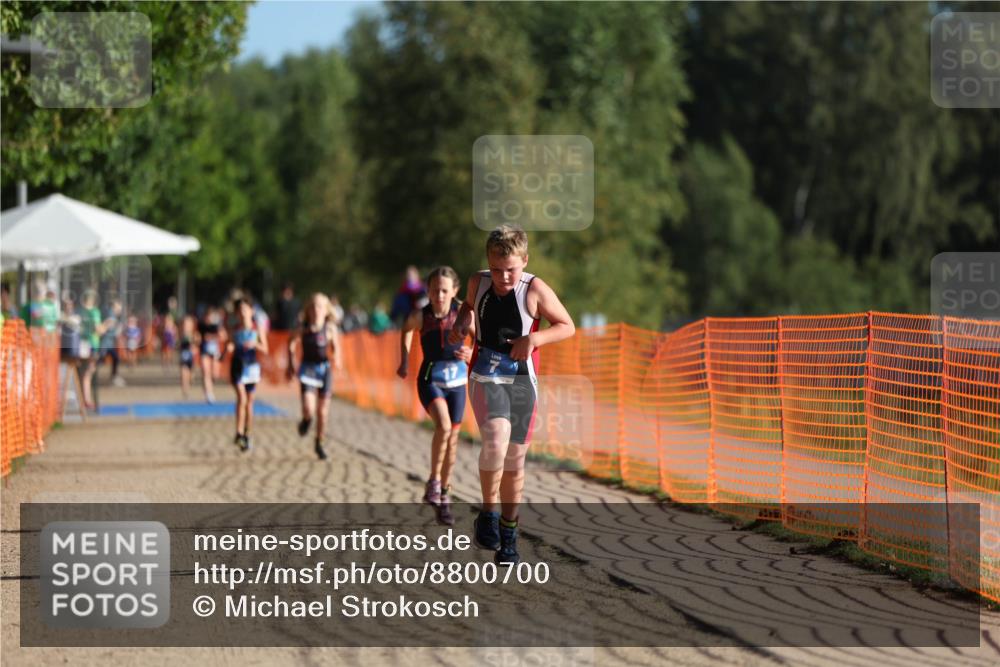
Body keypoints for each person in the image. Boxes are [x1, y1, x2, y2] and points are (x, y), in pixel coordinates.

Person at [448, 225, 575, 564]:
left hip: (521, 379)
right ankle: (488, 513)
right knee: (495, 441)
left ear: (525, 261)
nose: (503, 278)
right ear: (488, 262)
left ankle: (509, 534)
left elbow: (567, 325)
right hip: (485, 373)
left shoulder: (534, 290)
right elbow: (468, 306)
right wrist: (461, 324)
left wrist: (534, 339)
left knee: (515, 460)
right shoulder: (478, 282)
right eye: (496, 269)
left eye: (511, 270)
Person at [397, 267, 474, 526]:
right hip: (430, 379)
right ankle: (433, 480)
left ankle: (444, 496)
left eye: (444, 290)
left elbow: (480, 340)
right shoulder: (421, 315)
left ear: (454, 291)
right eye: (434, 290)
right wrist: (405, 360)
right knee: (444, 426)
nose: (439, 295)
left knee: (453, 441)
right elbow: (406, 329)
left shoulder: (464, 314)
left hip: (457, 382)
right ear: (427, 291)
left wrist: (471, 353)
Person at [287, 293, 342, 460]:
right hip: (308, 370)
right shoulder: (302, 328)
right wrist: (291, 363)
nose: (316, 310)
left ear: (326, 311)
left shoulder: (330, 328)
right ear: (308, 310)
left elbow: (336, 347)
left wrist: (337, 359)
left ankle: (319, 442)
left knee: (322, 412)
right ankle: (306, 420)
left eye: (320, 307)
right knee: (309, 409)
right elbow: (291, 342)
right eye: (312, 307)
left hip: (324, 370)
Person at [227, 298, 268, 452]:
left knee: (249, 402)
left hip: (251, 368)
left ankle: (247, 433)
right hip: (237, 366)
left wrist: (254, 344)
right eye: (240, 310)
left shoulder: (257, 328)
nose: (243, 313)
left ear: (252, 311)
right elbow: (230, 343)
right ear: (237, 314)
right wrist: (229, 347)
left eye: (245, 309)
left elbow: (265, 348)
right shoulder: (235, 329)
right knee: (241, 398)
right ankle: (238, 432)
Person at [78, 290, 104, 410]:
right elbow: (98, 329)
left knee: (83, 372)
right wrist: (106, 326)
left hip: (81, 344)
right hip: (92, 344)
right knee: (89, 372)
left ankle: (85, 399)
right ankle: (87, 400)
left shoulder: (80, 311)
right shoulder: (94, 312)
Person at [198, 307, 225, 404]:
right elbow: (197, 336)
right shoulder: (201, 326)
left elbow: (223, 336)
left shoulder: (216, 326)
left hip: (215, 353)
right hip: (204, 352)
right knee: (206, 372)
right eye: (207, 316)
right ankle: (208, 394)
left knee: (214, 374)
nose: (209, 318)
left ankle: (210, 387)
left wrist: (213, 337)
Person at [98, 300, 125, 386]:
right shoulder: (111, 316)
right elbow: (103, 329)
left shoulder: (112, 316)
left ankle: (114, 376)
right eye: (118, 308)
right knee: (98, 360)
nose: (120, 310)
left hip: (108, 344)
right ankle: (91, 379)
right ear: (113, 308)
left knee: (115, 358)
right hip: (104, 344)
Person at [178, 315, 198, 398]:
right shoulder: (181, 334)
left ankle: (189, 382)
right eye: (185, 324)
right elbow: (178, 344)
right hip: (184, 355)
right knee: (183, 372)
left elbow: (197, 343)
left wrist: (194, 345)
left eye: (189, 324)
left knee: (190, 374)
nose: (187, 326)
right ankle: (185, 389)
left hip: (192, 356)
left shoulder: (194, 334)